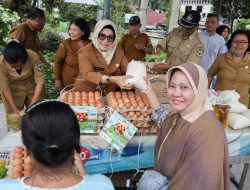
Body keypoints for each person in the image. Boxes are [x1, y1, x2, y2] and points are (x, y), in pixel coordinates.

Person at [138, 63, 229, 190]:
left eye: (184, 87)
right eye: (172, 86)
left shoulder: (207, 132)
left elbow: (202, 183)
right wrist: (150, 93)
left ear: (199, 90)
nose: (176, 93)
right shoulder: (186, 114)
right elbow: (167, 124)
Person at [0, 101, 115, 190]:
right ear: (76, 146)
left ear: (26, 149)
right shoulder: (103, 185)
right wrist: (82, 171)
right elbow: (91, 184)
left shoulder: (5, 187)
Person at [74, 19, 133, 93]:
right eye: (102, 36)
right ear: (96, 35)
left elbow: (128, 68)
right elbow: (87, 74)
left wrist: (137, 75)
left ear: (114, 39)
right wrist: (113, 79)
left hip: (108, 94)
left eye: (110, 37)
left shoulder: (118, 51)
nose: (106, 41)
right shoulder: (85, 51)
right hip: (86, 93)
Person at [208, 29, 250, 107]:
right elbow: (210, 75)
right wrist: (206, 94)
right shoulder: (221, 58)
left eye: (243, 42)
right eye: (235, 41)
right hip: (219, 104)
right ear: (231, 43)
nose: (238, 45)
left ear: (248, 45)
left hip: (241, 105)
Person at [0, 40, 44, 115]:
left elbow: (40, 81)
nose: (17, 68)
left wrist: (32, 106)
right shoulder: (1, 63)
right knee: (14, 120)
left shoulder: (33, 56)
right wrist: (15, 110)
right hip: (12, 93)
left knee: (36, 115)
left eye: (20, 65)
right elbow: (5, 88)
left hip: (33, 89)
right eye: (13, 66)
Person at [54, 18, 91, 91]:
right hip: (68, 84)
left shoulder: (90, 44)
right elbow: (58, 63)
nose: (71, 32)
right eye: (70, 29)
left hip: (86, 84)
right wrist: (57, 80)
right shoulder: (65, 44)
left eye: (74, 30)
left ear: (83, 32)